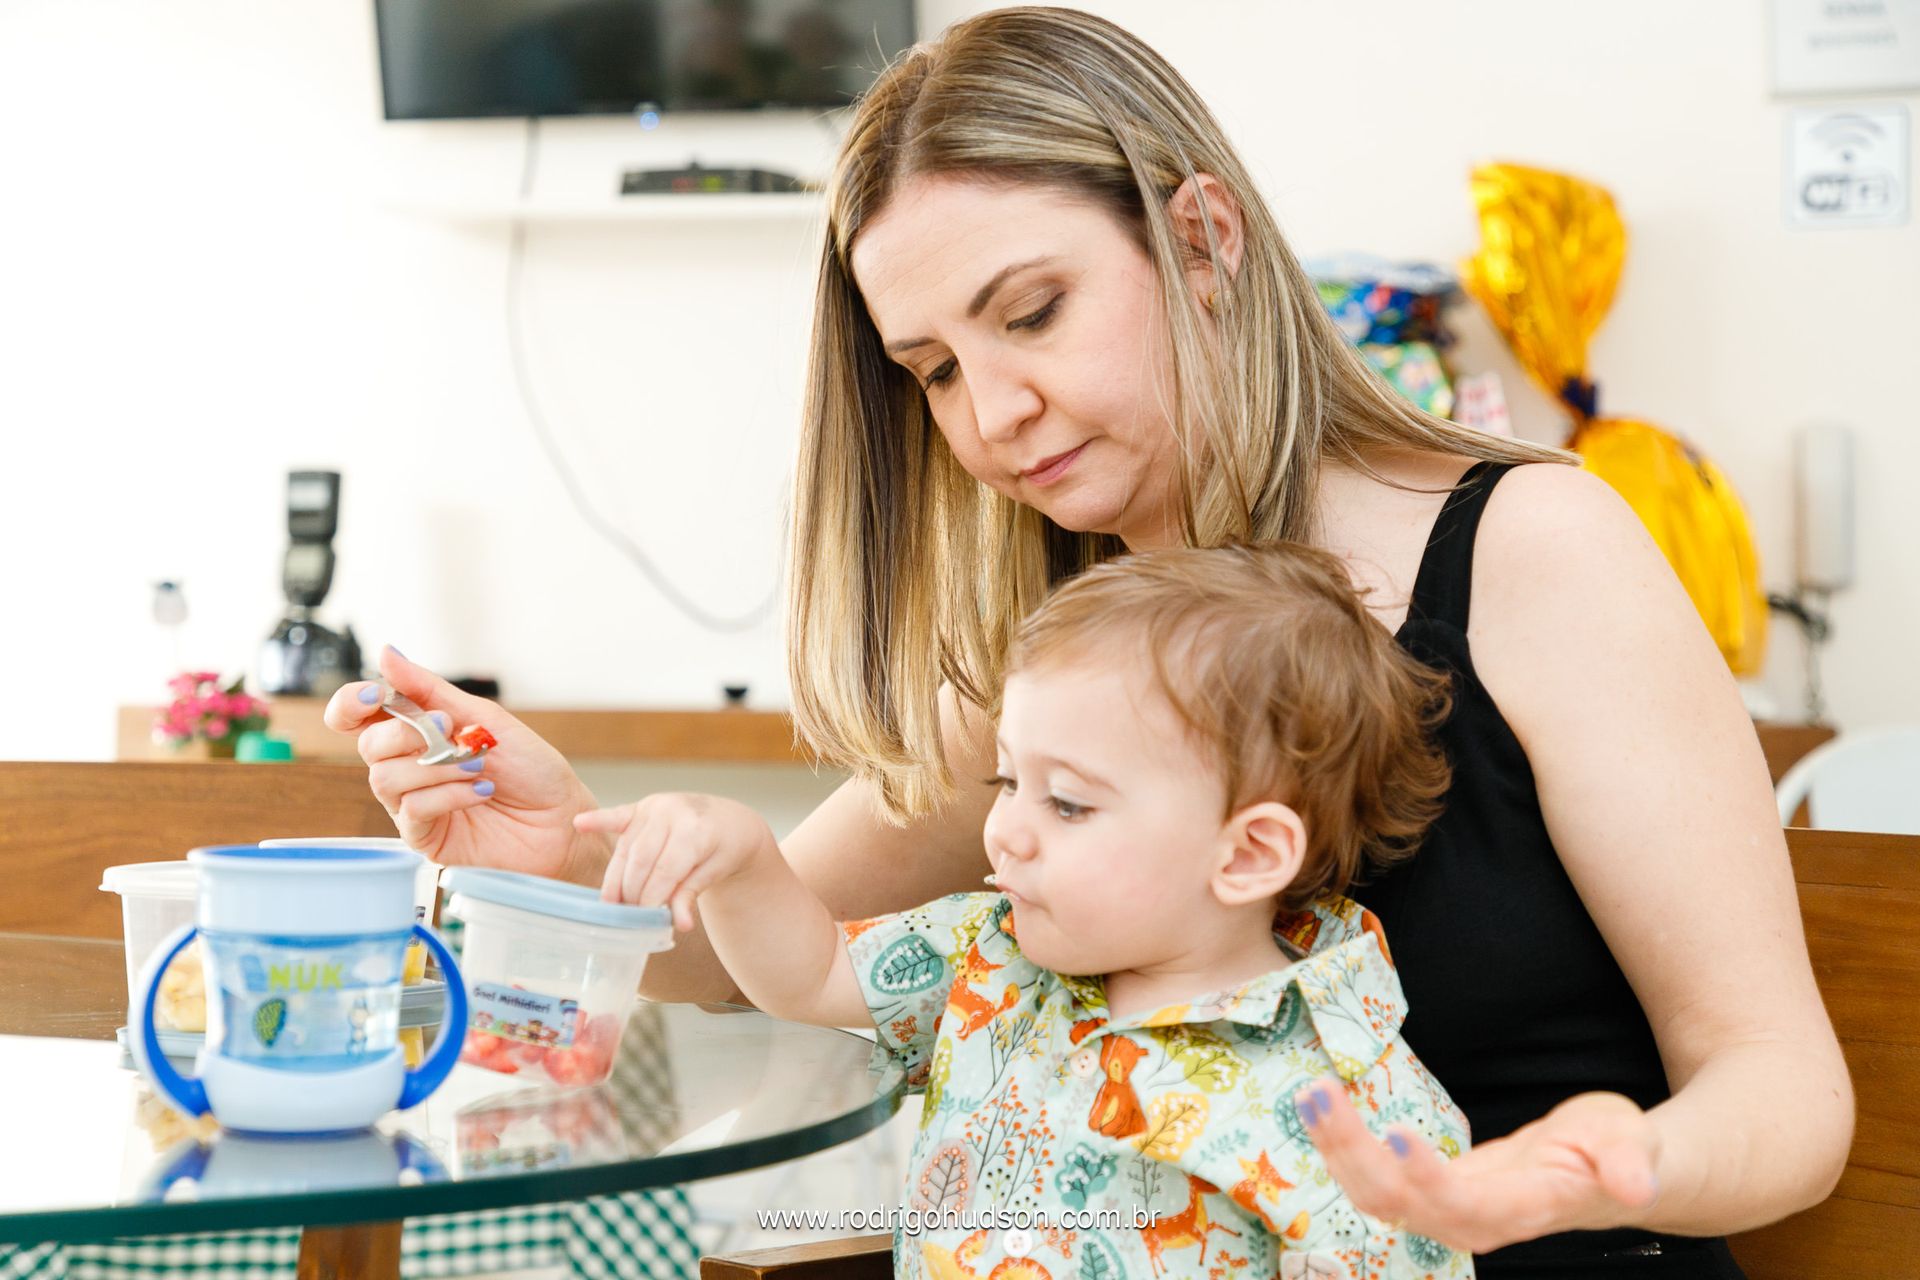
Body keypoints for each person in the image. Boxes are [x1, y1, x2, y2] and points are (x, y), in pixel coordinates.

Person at [326, 8, 1852, 1274]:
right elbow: (756, 953)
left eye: (1035, 313)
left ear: (1202, 239)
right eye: (932, 368)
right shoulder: (1060, 652)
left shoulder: (1534, 548)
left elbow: (1784, 1097)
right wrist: (558, 863)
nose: (990, 418)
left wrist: (1577, 1174)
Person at [581, 544, 1476, 1279]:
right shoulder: (991, 953)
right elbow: (805, 972)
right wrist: (737, 857)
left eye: (1070, 804)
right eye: (1009, 780)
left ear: (1245, 854)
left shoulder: (1361, 1116)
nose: (1004, 831)